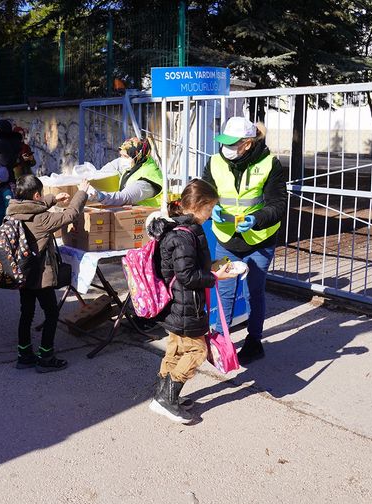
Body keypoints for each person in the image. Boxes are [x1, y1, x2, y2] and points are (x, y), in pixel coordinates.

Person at [146, 179, 238, 424]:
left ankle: (161, 395)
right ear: (197, 206)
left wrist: (215, 268)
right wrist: (215, 276)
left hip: (179, 304)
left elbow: (187, 268)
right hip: (185, 303)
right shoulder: (183, 237)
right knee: (197, 351)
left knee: (176, 348)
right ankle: (168, 399)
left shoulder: (181, 231)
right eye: (209, 209)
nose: (210, 215)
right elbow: (186, 276)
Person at [203, 116, 288, 365]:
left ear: (248, 144)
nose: (226, 148)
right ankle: (220, 341)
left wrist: (258, 218)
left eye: (233, 143)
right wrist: (212, 207)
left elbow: (278, 204)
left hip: (259, 240)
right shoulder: (216, 161)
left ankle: (254, 342)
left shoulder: (270, 164)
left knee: (254, 292)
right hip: (226, 239)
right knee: (225, 292)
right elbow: (207, 192)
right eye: (224, 142)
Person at [7, 175, 90, 373]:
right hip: (40, 276)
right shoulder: (42, 220)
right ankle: (46, 356)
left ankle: (24, 355)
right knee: (51, 313)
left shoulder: (12, 211)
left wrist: (52, 198)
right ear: (36, 194)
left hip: (23, 273)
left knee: (26, 313)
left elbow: (32, 206)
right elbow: (70, 215)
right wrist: (82, 192)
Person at [86, 137, 164, 207]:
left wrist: (99, 196)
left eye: (125, 156)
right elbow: (114, 165)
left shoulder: (145, 181)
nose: (122, 159)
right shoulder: (137, 163)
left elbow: (124, 197)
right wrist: (92, 176)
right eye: (121, 155)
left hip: (149, 218)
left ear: (137, 156)